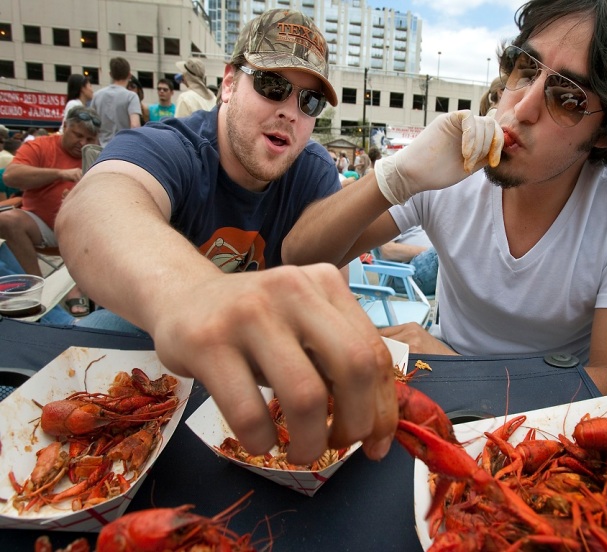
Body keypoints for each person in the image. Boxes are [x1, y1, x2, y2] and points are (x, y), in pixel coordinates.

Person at [284, 0, 607, 397]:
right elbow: (299, 256)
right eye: (525, 69)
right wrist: (397, 175)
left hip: (551, 418)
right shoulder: (452, 164)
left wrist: (460, 373)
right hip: (438, 389)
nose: (522, 107)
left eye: (568, 99)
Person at [57, 9, 397, 466]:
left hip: (258, 373)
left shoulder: (313, 173)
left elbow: (328, 287)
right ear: (230, 83)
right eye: (272, 85)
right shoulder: (175, 147)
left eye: (310, 102)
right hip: (151, 343)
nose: (289, 111)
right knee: (82, 339)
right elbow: (94, 206)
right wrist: (195, 294)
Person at [0, 106, 101, 316]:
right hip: (43, 226)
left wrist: (77, 199)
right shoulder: (40, 146)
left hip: (84, 228)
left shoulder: (95, 154)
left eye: (89, 138)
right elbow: (10, 176)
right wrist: (59, 174)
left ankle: (79, 287)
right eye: (78, 135)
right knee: (7, 220)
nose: (82, 143)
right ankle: (39, 289)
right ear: (65, 127)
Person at [90, 57, 142, 145]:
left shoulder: (97, 95)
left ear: (110, 74)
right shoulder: (131, 97)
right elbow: (135, 125)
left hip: (101, 148)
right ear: (129, 75)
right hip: (123, 147)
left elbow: (91, 125)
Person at [378, 226, 439, 296]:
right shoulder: (388, 216)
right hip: (404, 275)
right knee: (445, 251)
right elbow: (387, 250)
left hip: (429, 268)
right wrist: (431, 251)